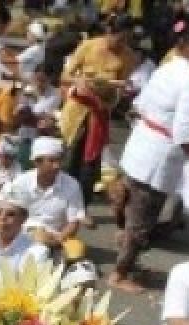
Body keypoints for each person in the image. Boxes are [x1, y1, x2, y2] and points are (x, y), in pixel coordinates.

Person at [112, 17, 189, 292]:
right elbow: (182, 129)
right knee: (142, 218)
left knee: (131, 202)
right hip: (158, 154)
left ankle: (126, 255)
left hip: (141, 143)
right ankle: (120, 273)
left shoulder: (167, 67)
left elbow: (140, 104)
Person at [58, 15, 138, 206]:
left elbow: (121, 87)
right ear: (109, 32)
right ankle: (61, 203)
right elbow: (65, 75)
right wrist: (78, 81)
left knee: (90, 164)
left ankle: (81, 207)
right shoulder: (88, 46)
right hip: (77, 110)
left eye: (126, 40)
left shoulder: (128, 56)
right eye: (119, 39)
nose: (121, 44)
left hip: (101, 112)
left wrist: (116, 91)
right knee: (70, 159)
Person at [0, 136, 87, 265]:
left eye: (59, 161)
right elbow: (9, 211)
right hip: (22, 231)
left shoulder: (72, 185)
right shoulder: (21, 181)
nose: (57, 166)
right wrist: (32, 235)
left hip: (56, 235)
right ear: (37, 162)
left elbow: (73, 222)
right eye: (51, 161)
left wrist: (58, 239)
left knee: (77, 252)